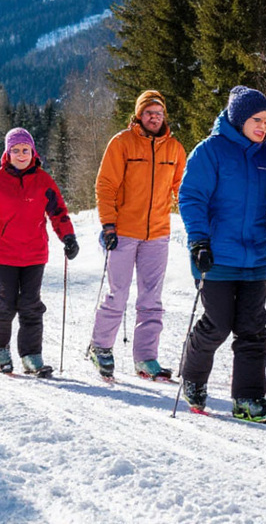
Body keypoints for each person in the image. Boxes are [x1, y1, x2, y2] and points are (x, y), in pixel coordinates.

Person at [177, 86, 266, 422]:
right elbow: (191, 197)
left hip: (255, 258)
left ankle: (248, 399)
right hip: (216, 257)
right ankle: (193, 376)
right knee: (218, 324)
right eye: (257, 120)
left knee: (253, 329)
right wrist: (199, 241)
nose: (263, 127)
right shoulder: (210, 151)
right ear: (239, 120)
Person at [89, 90, 186, 381]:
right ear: (139, 115)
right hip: (123, 232)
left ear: (164, 116)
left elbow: (183, 190)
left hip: (157, 234)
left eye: (158, 113)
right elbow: (105, 185)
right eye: (148, 113)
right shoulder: (122, 143)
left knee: (152, 298)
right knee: (117, 293)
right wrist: (108, 225)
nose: (154, 117)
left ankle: (146, 357)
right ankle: (101, 347)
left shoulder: (175, 149)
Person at [0, 128, 78, 377]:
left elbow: (58, 212)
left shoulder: (44, 181)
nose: (21, 155)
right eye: (15, 150)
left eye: (25, 150)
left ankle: (31, 355)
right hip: (3, 254)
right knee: (5, 304)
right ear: (7, 153)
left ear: (33, 152)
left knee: (31, 305)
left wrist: (68, 237)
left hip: (34, 253)